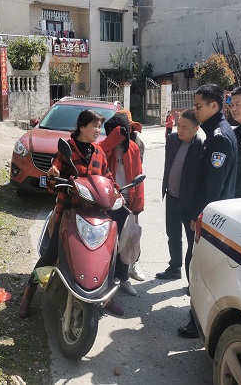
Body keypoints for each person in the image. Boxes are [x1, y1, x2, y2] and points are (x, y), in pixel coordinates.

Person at [18, 109, 113, 319]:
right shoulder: (66, 149)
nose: (98, 130)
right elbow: (52, 179)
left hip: (93, 216)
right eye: (95, 126)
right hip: (68, 213)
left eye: (100, 126)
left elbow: (107, 178)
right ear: (82, 127)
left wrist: (115, 192)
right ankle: (28, 295)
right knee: (51, 255)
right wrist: (52, 175)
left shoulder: (99, 153)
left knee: (107, 254)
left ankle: (108, 297)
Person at [177, 83, 238, 339]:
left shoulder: (219, 137)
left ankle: (197, 321)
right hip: (207, 217)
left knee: (198, 267)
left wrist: (198, 218)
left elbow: (213, 186)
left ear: (214, 105)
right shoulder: (214, 132)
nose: (195, 110)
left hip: (208, 219)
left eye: (198, 105)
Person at [100, 113, 145, 310]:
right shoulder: (104, 148)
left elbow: (138, 177)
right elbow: (99, 155)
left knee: (126, 243)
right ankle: (105, 279)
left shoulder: (133, 148)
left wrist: (138, 206)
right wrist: (111, 141)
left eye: (120, 132)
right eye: (113, 132)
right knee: (107, 244)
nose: (118, 136)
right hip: (107, 201)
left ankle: (123, 277)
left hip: (127, 203)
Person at [157, 109, 203, 285]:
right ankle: (174, 267)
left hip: (188, 202)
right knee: (173, 234)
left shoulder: (201, 147)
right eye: (178, 125)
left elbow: (200, 180)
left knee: (192, 242)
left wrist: (196, 211)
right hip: (171, 196)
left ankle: (192, 283)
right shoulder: (172, 140)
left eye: (185, 127)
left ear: (196, 129)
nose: (180, 130)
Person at [114, 109, 146, 281]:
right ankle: (112, 274)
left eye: (127, 128)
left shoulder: (136, 146)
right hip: (111, 199)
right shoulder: (108, 146)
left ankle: (131, 267)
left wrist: (137, 204)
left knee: (130, 238)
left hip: (129, 199)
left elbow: (138, 175)